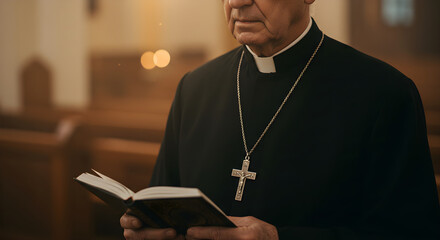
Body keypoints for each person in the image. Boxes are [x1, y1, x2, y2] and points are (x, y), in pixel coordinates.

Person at [121, 0, 440, 239]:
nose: (236, 1)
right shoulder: (193, 89)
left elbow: (410, 234)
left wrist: (279, 239)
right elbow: (162, 206)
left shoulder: (384, 95)